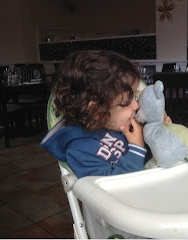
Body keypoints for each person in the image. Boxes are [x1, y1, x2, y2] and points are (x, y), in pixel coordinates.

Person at [41, 50, 148, 178]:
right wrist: (137, 149)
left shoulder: (126, 124)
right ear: (96, 111)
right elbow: (108, 191)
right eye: (126, 102)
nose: (136, 106)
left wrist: (158, 131)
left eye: (135, 97)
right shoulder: (80, 151)